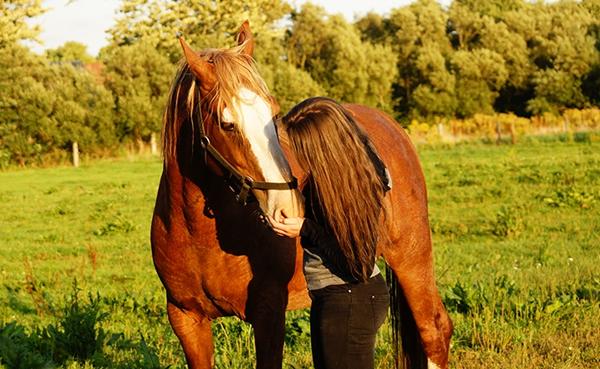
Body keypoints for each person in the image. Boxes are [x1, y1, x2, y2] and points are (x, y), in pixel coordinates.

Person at [268, 97, 391, 369]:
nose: (300, 157)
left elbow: (357, 266)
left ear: (323, 149)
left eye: (304, 149)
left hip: (350, 298)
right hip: (341, 298)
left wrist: (305, 228)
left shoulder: (354, 193)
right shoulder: (346, 176)